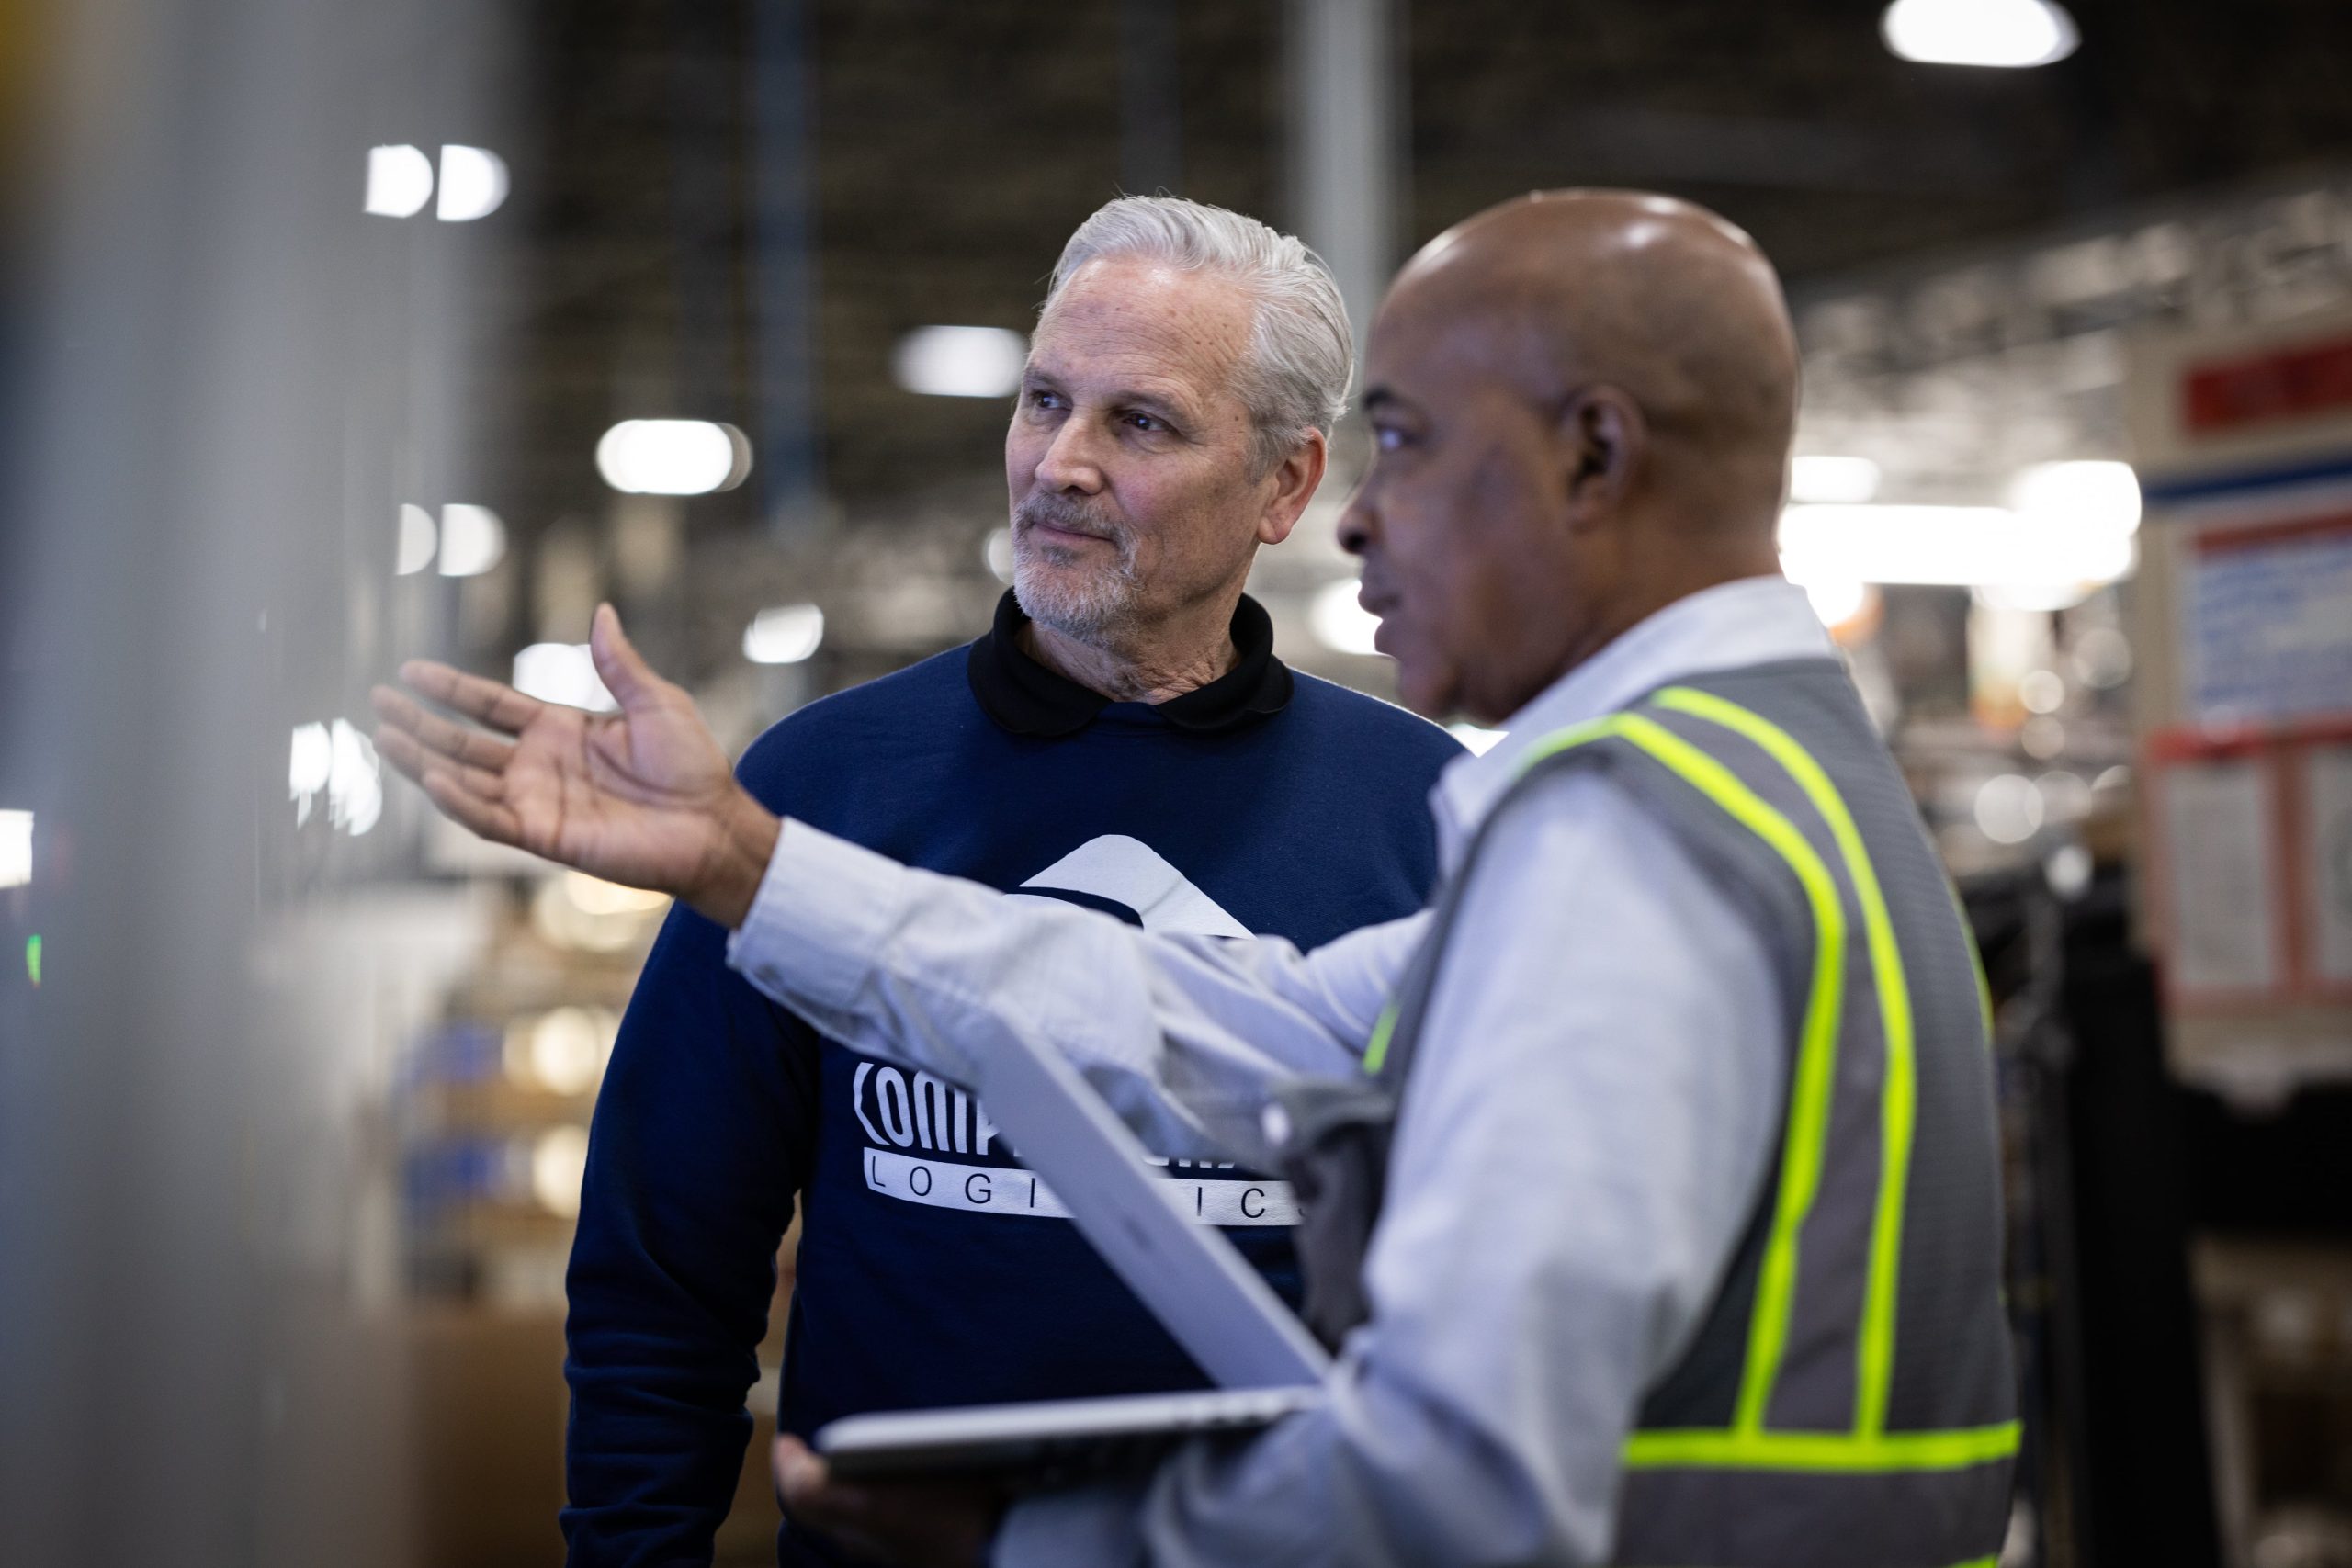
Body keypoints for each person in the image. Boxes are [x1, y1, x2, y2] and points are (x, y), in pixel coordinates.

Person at [378, 189, 2017, 1567]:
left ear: (1592, 458)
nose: (1369, 524)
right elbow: (1236, 1025)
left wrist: (1026, 1542)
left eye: (1412, 446)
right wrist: (753, 867)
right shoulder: (1769, 788)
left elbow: (1467, 1480)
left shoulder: (1622, 840)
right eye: (1044, 401)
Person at [403, 196, 1462, 1566]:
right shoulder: (821, 789)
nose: (1061, 463)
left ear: (1285, 484)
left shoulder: (1423, 818)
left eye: (1140, 423)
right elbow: (666, 1267)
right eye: (1043, 402)